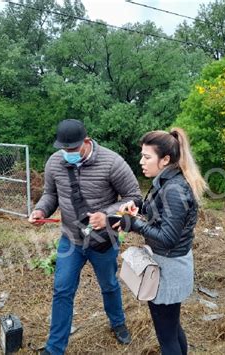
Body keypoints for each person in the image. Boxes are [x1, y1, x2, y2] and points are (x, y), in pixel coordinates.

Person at [29, 119, 142, 355]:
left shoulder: (112, 162)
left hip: (103, 240)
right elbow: (51, 194)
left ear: (86, 142)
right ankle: (54, 348)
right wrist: (41, 210)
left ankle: (118, 322)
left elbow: (134, 197)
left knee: (109, 285)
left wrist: (107, 215)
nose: (68, 154)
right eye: (64, 149)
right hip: (70, 239)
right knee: (62, 290)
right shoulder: (54, 163)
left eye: (73, 149)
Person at [119, 128, 206, 355]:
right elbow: (158, 212)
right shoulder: (167, 181)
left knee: (166, 336)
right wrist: (138, 208)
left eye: (147, 157)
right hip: (167, 262)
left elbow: (167, 238)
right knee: (172, 328)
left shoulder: (175, 190)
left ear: (165, 159)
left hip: (169, 268)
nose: (141, 162)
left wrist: (134, 224)